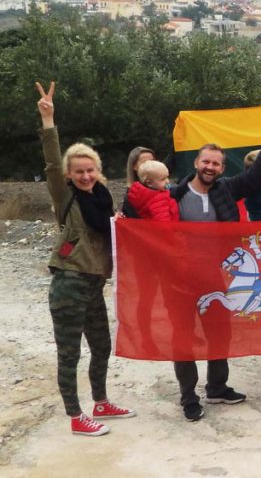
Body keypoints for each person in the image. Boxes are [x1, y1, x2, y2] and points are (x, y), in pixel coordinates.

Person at [167, 113, 261, 422]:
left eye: (216, 164)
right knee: (183, 339)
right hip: (179, 281)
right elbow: (142, 211)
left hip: (213, 275)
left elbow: (258, 175)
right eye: (206, 162)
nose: (210, 167)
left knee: (220, 333)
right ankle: (188, 396)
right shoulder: (174, 195)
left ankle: (217, 387)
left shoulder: (226, 189)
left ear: (222, 168)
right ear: (196, 163)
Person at [35, 81, 136, 437]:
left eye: (90, 170)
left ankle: (101, 402)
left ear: (98, 170)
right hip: (69, 281)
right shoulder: (66, 197)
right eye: (78, 171)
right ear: (69, 175)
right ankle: (76, 416)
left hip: (94, 283)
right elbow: (51, 162)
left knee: (102, 346)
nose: (85, 175)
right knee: (70, 353)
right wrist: (48, 121)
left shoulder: (102, 199)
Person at [120, 146, 155, 218]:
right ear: (134, 166)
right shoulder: (131, 195)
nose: (151, 165)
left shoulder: (162, 185)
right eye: (145, 163)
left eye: (152, 161)